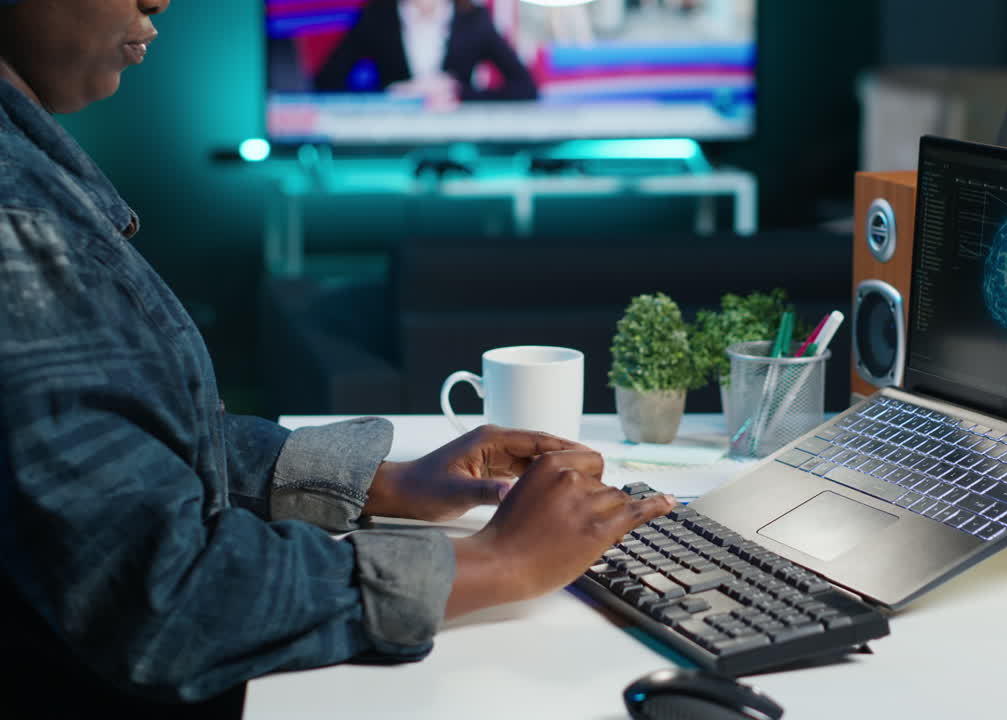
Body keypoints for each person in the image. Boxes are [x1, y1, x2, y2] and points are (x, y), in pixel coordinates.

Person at [0, 0, 673, 715]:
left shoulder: (32, 180)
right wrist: (495, 561)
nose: (160, 0)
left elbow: (122, 450)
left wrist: (381, 482)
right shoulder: (16, 221)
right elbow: (158, 597)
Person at [313, 0, 539, 106]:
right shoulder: (378, 16)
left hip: (458, 142)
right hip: (392, 141)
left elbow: (525, 87)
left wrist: (459, 95)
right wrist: (390, 95)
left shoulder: (473, 19)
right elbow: (326, 81)